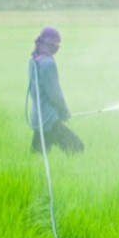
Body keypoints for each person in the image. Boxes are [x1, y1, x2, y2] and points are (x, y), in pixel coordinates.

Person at [28, 26, 84, 155]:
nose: (58, 46)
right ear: (50, 43)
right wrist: (64, 111)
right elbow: (55, 94)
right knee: (77, 147)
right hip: (49, 120)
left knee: (38, 156)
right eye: (57, 43)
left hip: (38, 118)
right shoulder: (48, 63)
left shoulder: (34, 60)